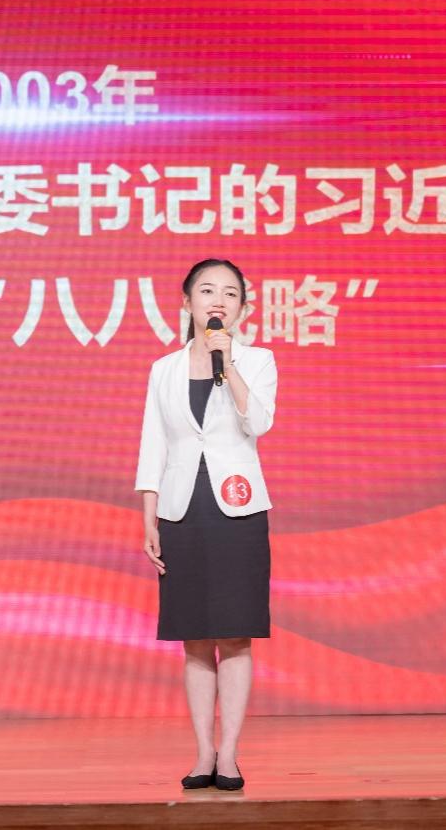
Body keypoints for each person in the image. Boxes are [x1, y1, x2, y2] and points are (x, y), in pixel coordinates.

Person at [135, 258, 277, 792]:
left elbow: (258, 422)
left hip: (237, 509)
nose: (219, 301)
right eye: (208, 291)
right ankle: (202, 754)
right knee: (194, 637)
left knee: (236, 635)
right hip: (182, 510)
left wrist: (228, 364)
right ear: (187, 302)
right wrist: (149, 517)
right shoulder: (164, 369)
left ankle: (231, 756)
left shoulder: (257, 360)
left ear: (242, 307)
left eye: (231, 293)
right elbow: (153, 444)